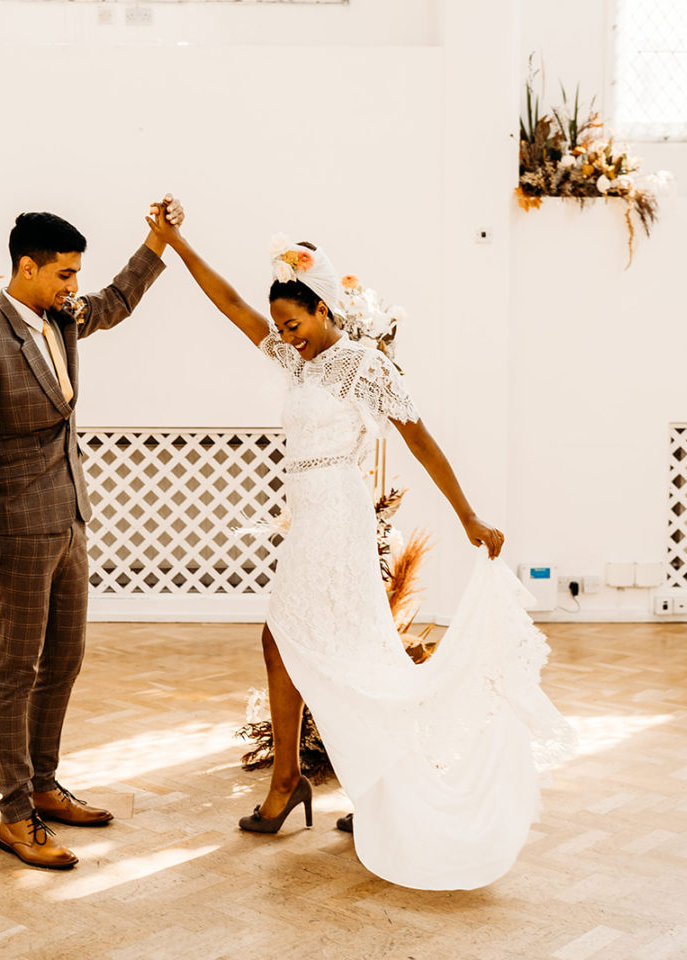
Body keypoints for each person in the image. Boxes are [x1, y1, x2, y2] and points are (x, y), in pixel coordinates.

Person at [145, 202, 574, 890]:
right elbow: (228, 302)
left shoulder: (360, 366)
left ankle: (343, 783)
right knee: (294, 641)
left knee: (319, 644)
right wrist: (176, 244)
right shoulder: (298, 359)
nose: (288, 337)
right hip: (307, 511)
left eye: (296, 324)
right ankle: (313, 777)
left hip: (338, 515)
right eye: (281, 326)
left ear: (324, 310)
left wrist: (468, 516)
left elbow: (421, 438)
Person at [0, 201, 184, 870]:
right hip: (13, 533)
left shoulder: (60, 316)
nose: (73, 287)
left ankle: (45, 786)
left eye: (75, 275)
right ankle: (15, 813)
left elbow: (114, 302)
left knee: (64, 661)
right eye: (64, 275)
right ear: (27, 268)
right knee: (13, 672)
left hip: (70, 522)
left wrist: (156, 243)